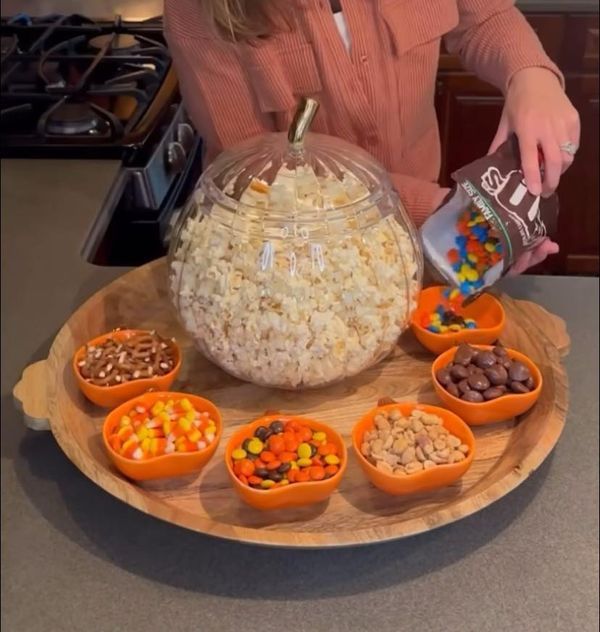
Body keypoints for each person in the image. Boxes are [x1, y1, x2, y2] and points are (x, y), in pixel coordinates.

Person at [164, 0, 580, 273]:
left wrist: (530, 76)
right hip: (289, 271)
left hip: (427, 243)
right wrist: (444, 214)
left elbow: (484, 17)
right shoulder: (199, 9)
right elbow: (259, 179)